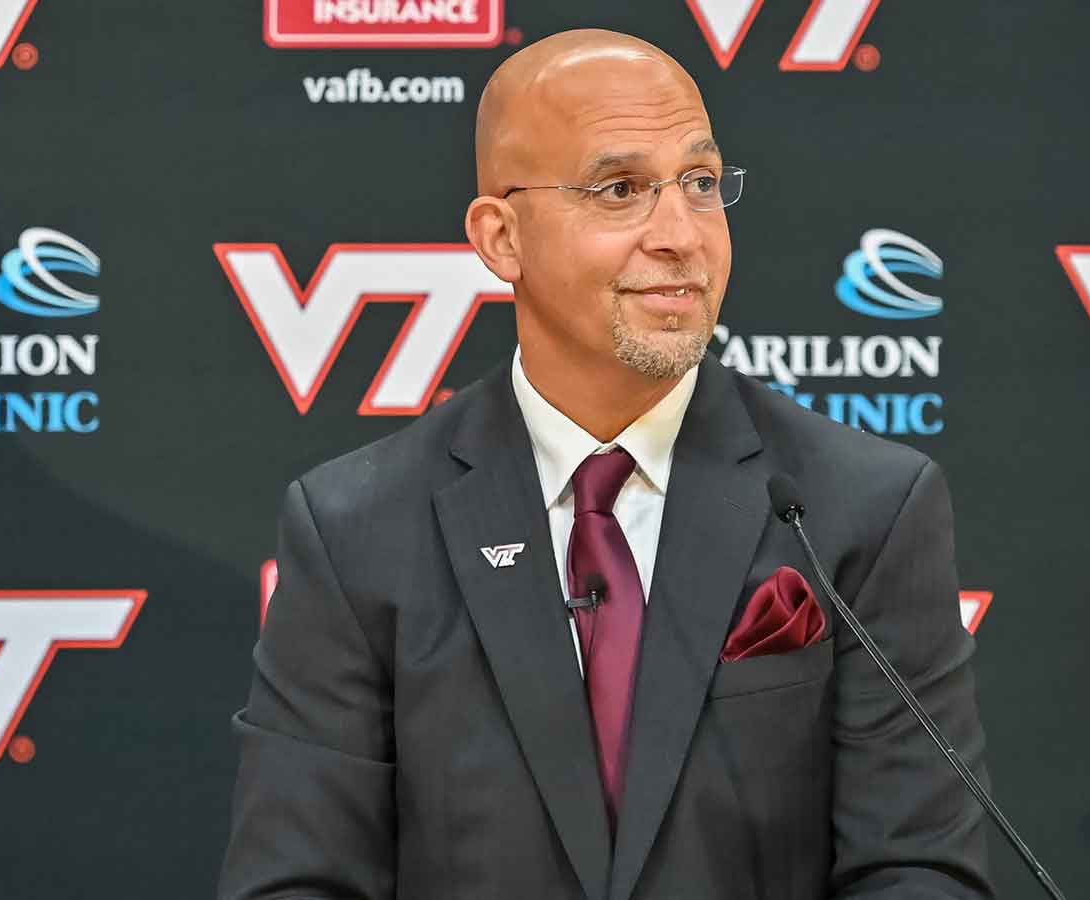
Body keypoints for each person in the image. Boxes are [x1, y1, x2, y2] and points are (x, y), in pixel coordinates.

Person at [218, 28, 992, 900]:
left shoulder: (864, 508)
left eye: (700, 185)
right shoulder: (355, 529)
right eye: (620, 189)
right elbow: (297, 880)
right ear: (500, 237)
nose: (681, 235)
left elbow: (919, 872)